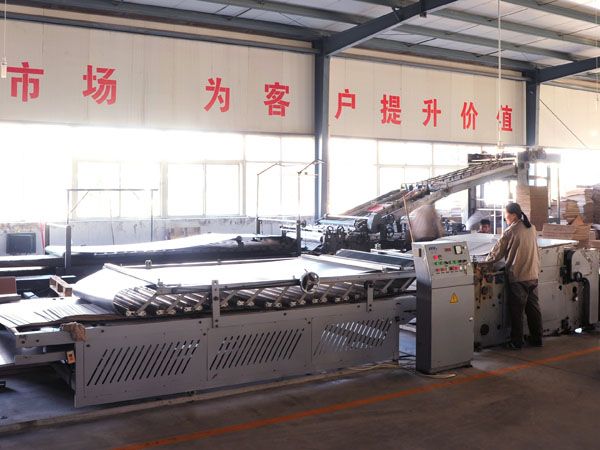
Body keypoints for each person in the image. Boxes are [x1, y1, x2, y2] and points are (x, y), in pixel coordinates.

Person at [486, 202, 543, 349]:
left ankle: (516, 342)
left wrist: (483, 263)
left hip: (518, 276)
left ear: (513, 215)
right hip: (533, 274)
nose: (505, 218)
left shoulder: (510, 231)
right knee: (533, 309)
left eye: (506, 215)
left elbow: (496, 253)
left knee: (517, 311)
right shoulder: (531, 228)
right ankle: (537, 338)